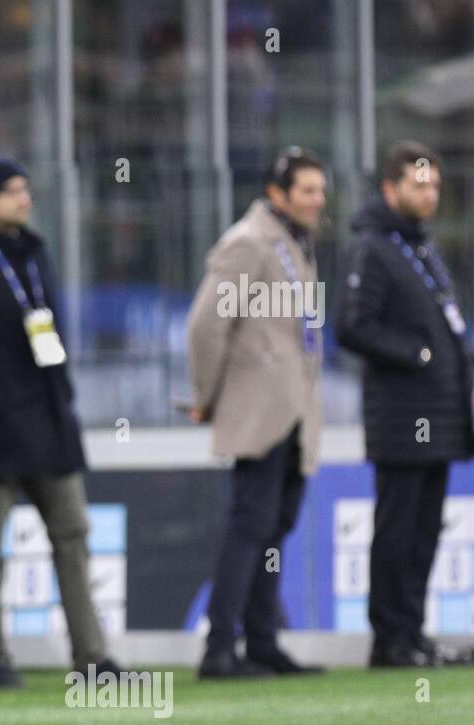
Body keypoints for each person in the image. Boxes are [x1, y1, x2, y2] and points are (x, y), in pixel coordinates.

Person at [0, 155, 121, 688]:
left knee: (74, 536)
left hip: (50, 423)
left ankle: (93, 658)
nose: (25, 198)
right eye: (12, 190)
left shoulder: (35, 254)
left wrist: (60, 397)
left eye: (25, 188)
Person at [187, 147, 326, 678]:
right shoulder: (248, 244)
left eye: (320, 190)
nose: (318, 201)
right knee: (249, 527)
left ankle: (262, 641)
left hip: (292, 411)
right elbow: (206, 325)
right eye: (308, 191)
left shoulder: (293, 243)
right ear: (277, 193)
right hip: (259, 409)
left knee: (274, 527)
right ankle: (219, 647)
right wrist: (207, 395)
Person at [334, 140, 474, 668]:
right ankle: (389, 638)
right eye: (420, 184)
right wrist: (419, 354)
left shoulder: (420, 247)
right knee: (398, 529)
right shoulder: (372, 248)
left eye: (435, 184)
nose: (430, 194)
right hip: (402, 419)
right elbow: (351, 327)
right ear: (391, 188)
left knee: (423, 532)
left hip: (441, 418)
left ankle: (412, 634)